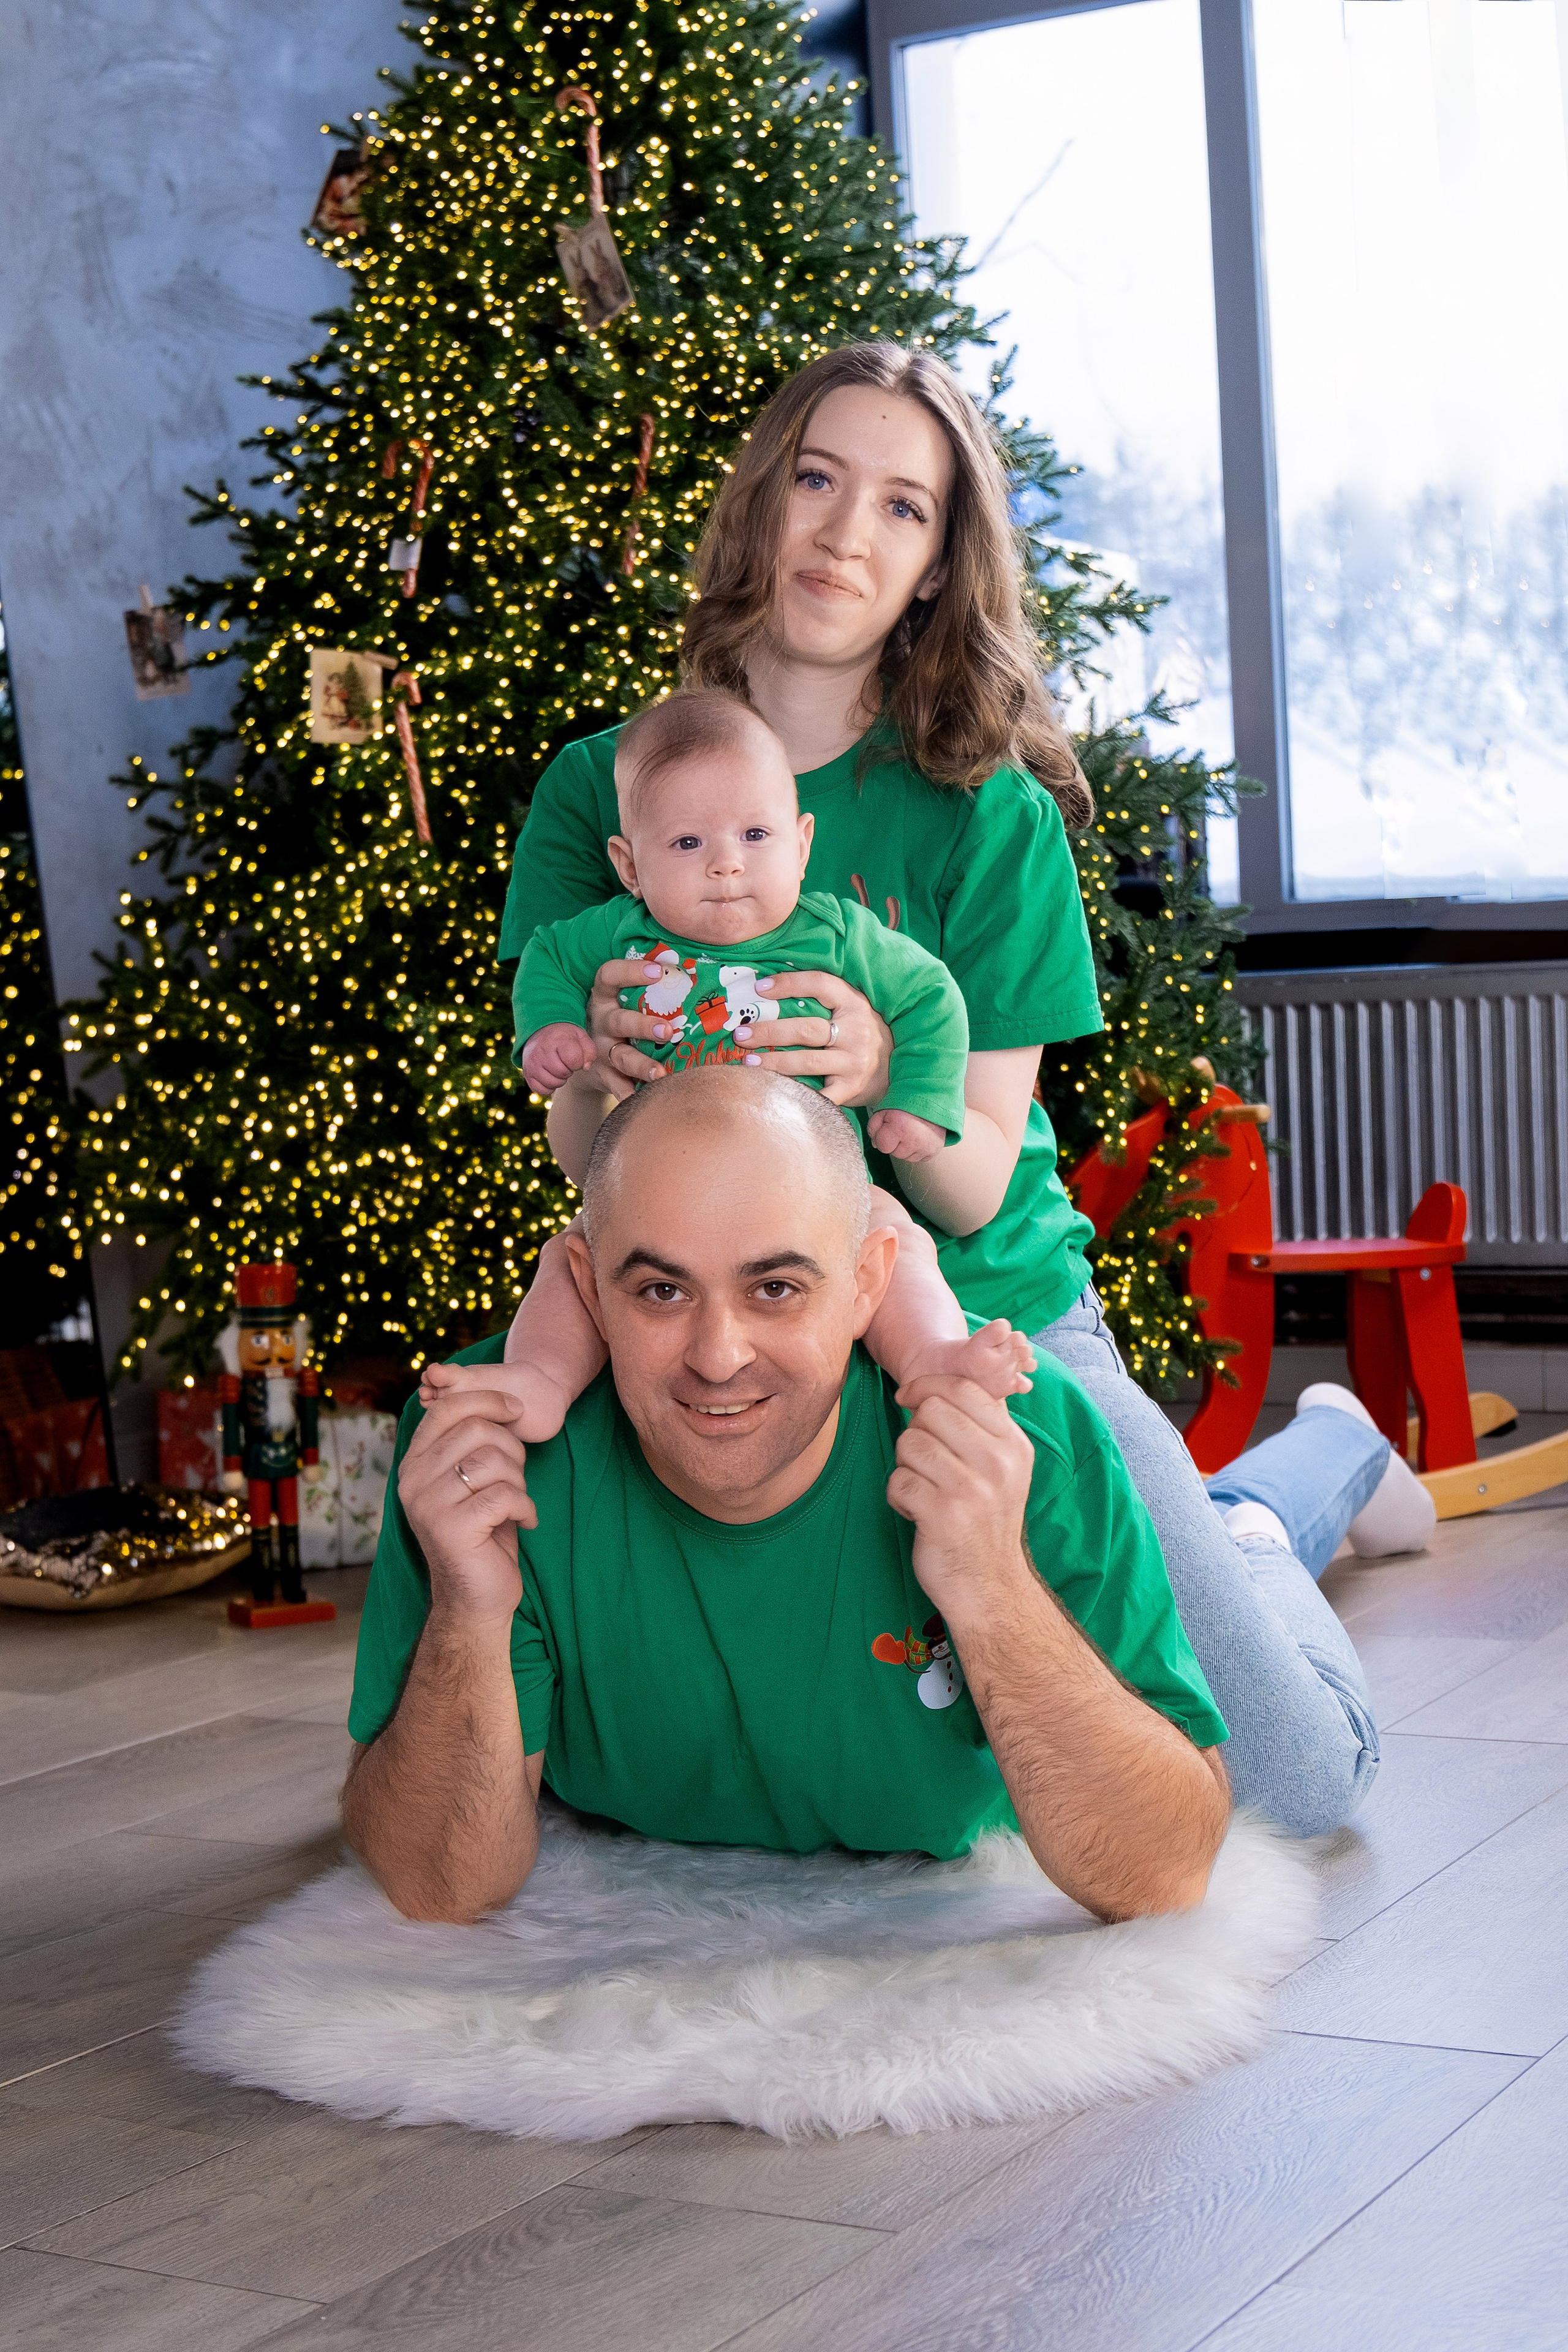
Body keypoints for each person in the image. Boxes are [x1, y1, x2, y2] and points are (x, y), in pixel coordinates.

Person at [484, 339, 1399, 1837]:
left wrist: (875, 1067)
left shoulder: (989, 815)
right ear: (759, 500)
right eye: (818, 478)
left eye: (901, 507)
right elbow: (579, 1153)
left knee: (1296, 1783)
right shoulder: (608, 788)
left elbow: (976, 1176)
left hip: (982, 1312)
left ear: (933, 564)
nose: (846, 531)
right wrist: (607, 1074)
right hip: (738, 1328)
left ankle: (1277, 1490)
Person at [344, 1069, 1233, 1926]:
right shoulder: (482, 1437)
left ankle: (1272, 1507)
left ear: (867, 1284)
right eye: (661, 1291)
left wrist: (994, 1584)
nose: (718, 1355)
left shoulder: (1023, 1431)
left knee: (1309, 1759)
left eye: (775, 1289)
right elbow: (439, 1888)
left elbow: (1161, 1873)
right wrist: (467, 1609)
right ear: (587, 1289)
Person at [494, 682, 1036, 1448]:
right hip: (663, 1200)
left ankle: (934, 1358)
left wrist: (911, 1094)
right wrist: (553, 1031)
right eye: (687, 844)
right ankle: (538, 1383)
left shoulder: (838, 935)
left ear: (803, 842)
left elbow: (930, 996)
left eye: (755, 835)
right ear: (629, 864)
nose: (726, 866)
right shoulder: (615, 935)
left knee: (893, 1242)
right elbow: (545, 957)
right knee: (575, 1261)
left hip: (816, 1195)